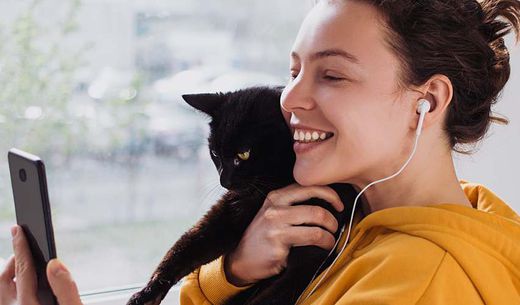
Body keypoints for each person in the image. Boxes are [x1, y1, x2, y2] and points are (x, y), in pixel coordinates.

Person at [2, 0, 520, 304]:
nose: (290, 98)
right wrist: (232, 270)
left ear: (426, 101)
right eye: (293, 70)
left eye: (332, 74)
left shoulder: (419, 280)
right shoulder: (389, 218)